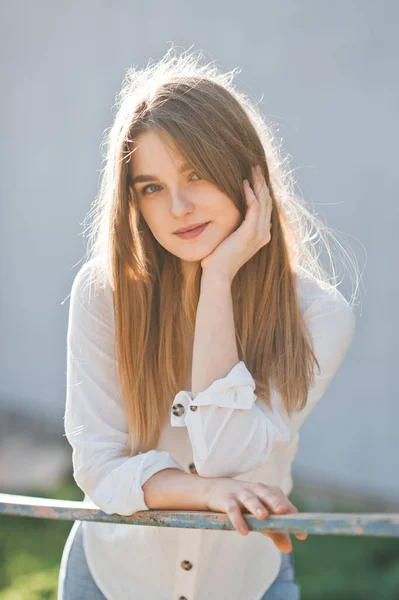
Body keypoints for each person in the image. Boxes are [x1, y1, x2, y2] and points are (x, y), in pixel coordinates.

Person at [58, 45, 357, 600]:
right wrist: (209, 493)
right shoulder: (105, 293)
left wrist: (217, 282)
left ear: (249, 175)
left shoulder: (320, 316)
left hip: (246, 581)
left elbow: (225, 452)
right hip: (111, 578)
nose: (178, 207)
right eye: (151, 187)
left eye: (196, 174)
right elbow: (98, 467)